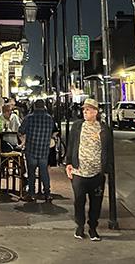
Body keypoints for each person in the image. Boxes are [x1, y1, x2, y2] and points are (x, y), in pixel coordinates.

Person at [65, 98, 111, 242]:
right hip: (79, 172)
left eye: (88, 109)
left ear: (96, 112)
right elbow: (71, 144)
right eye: (84, 109)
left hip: (96, 173)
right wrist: (69, 163)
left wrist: (106, 169)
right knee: (79, 201)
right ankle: (80, 226)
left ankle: (93, 228)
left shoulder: (103, 128)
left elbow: (108, 149)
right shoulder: (78, 126)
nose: (85, 112)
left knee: (96, 203)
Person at [19, 98, 57, 202]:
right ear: (44, 106)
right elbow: (53, 132)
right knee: (44, 172)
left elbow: (21, 131)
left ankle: (31, 194)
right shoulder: (49, 118)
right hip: (44, 150)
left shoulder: (29, 118)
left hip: (31, 149)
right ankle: (47, 193)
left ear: (34, 106)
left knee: (31, 173)